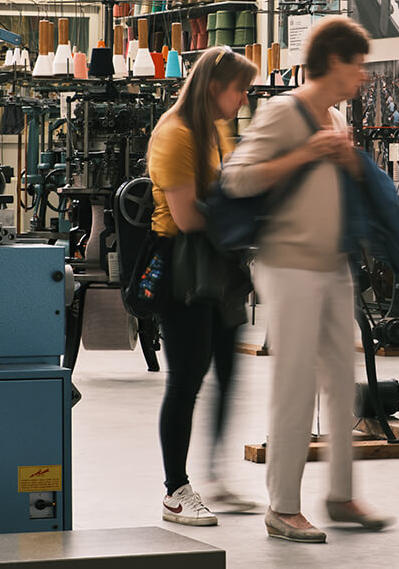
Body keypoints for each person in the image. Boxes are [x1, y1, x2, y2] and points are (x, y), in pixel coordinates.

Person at [220, 16, 393, 543]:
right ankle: (283, 506)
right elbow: (236, 177)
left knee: (343, 385)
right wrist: (307, 154)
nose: (363, 75)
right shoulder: (282, 111)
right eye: (358, 64)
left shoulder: (337, 117)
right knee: (294, 384)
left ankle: (341, 495)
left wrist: (352, 163)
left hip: (332, 265)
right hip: (288, 264)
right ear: (335, 62)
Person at [148, 47, 257, 526]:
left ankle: (215, 475)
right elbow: (190, 215)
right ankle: (176, 489)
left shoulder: (214, 130)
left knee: (229, 371)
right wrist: (246, 222)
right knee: (186, 380)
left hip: (216, 265)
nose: (244, 98)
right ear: (216, 87)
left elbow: (231, 188)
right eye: (241, 89)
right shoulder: (174, 134)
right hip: (183, 269)